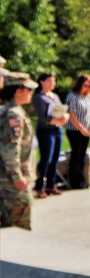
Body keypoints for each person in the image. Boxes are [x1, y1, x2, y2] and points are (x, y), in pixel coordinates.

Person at [1, 73, 39, 230]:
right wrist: (17, 177)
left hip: (5, 180)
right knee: (19, 227)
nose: (31, 93)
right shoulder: (14, 115)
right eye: (28, 89)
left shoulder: (5, 110)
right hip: (12, 182)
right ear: (18, 91)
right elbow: (10, 149)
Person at [32, 72, 67, 198]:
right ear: (42, 81)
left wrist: (65, 117)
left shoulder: (55, 96)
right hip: (46, 131)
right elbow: (43, 117)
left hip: (57, 130)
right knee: (46, 159)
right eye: (49, 81)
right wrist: (59, 121)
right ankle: (39, 186)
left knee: (55, 159)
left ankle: (51, 185)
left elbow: (61, 110)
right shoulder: (38, 97)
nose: (52, 84)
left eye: (54, 81)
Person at [65, 73, 90, 190]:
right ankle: (75, 182)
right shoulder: (72, 96)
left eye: (89, 86)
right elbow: (71, 115)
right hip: (74, 130)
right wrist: (81, 129)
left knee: (82, 155)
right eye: (85, 85)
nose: (87, 88)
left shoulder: (89, 97)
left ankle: (81, 180)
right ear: (79, 84)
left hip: (86, 130)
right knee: (76, 155)